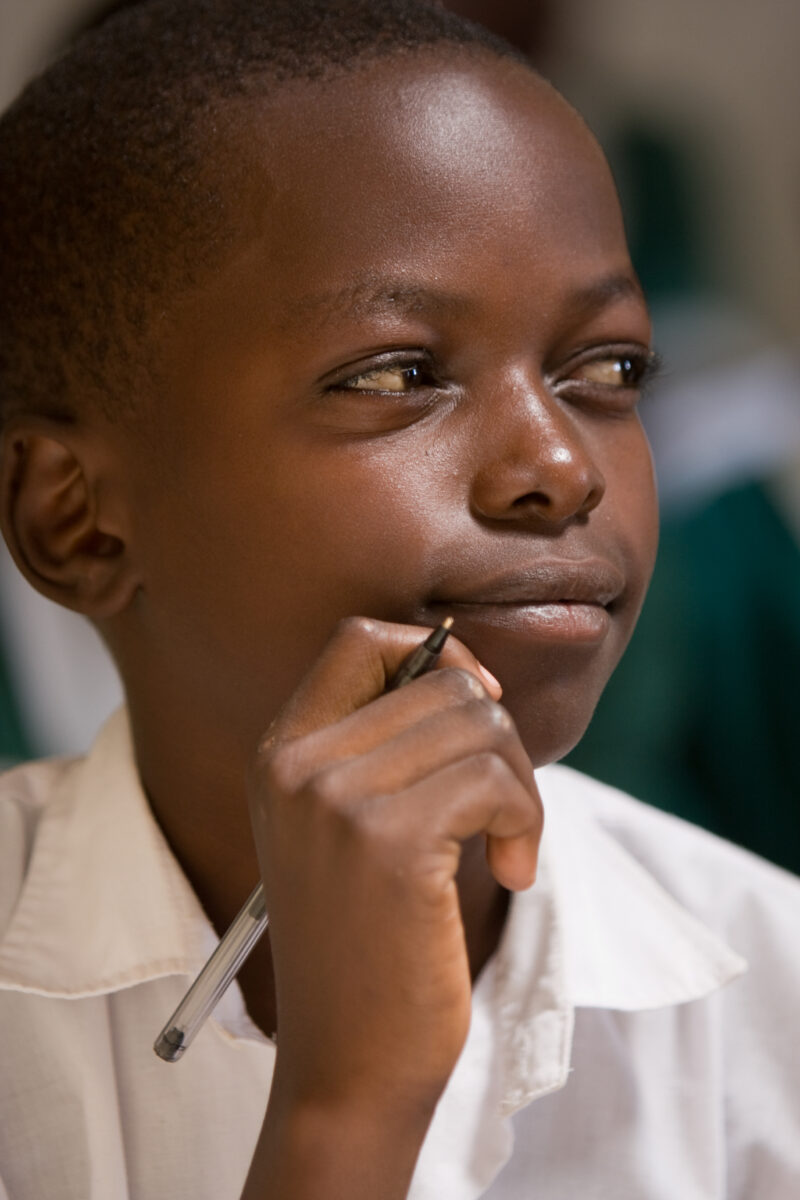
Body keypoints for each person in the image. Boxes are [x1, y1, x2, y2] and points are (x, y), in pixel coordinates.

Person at [0, 2, 797, 1197]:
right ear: (76, 519)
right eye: (396, 375)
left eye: (606, 370)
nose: (559, 466)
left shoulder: (768, 998)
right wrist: (345, 1115)